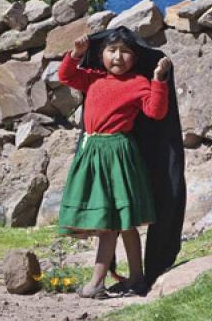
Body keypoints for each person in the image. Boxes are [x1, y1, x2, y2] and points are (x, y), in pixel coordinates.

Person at [57, 25, 184, 298]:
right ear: (101, 53)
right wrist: (76, 53)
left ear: (135, 58)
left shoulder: (139, 83)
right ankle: (136, 278)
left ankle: (97, 283)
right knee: (117, 222)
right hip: (93, 154)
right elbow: (66, 75)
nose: (117, 57)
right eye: (111, 50)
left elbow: (156, 111)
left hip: (119, 156)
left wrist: (159, 79)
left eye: (125, 52)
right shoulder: (92, 79)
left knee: (115, 223)